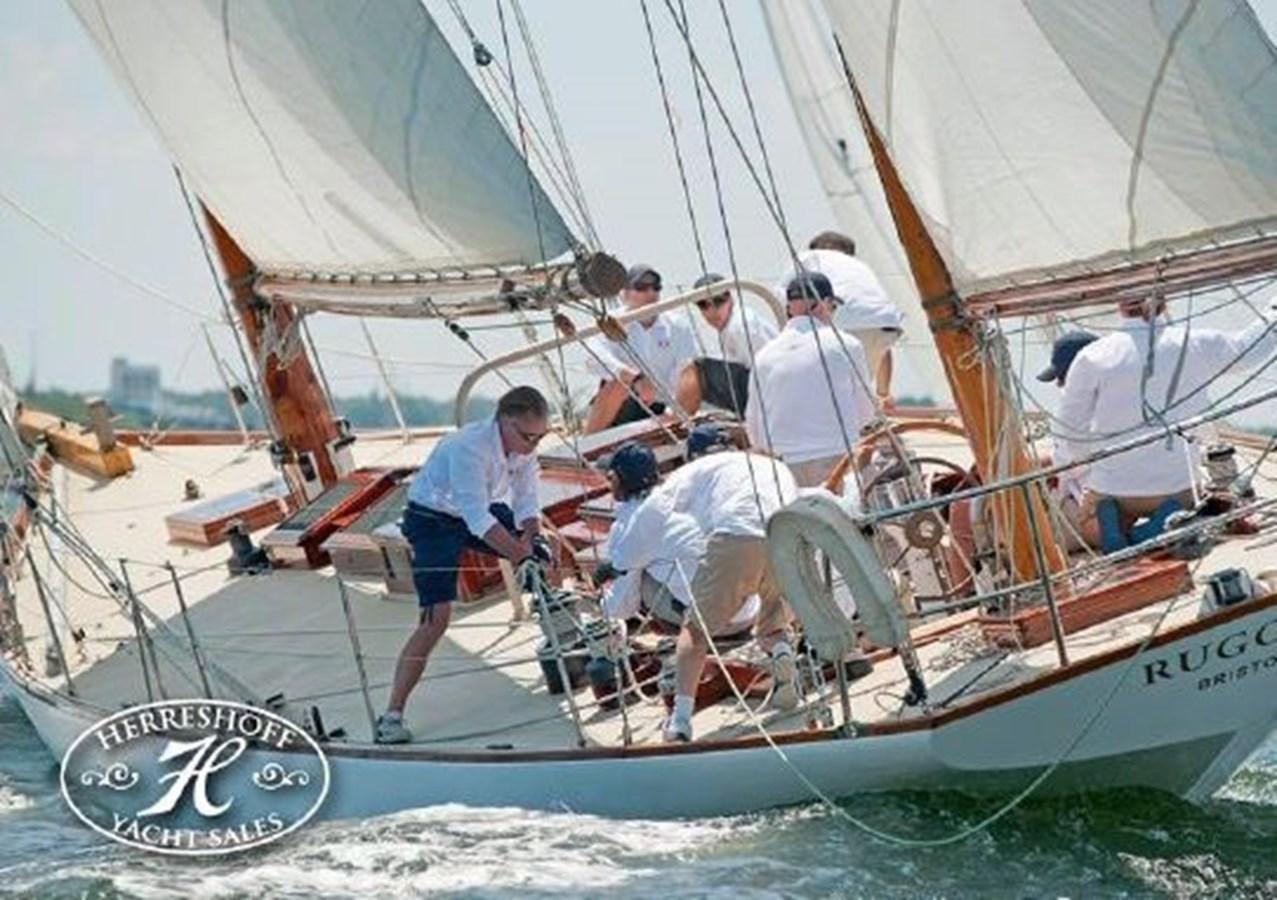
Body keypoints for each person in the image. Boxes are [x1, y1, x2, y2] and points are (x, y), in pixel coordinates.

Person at [376, 385, 553, 744]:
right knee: (435, 619)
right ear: (504, 421)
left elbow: (526, 502)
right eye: (527, 436)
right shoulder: (468, 447)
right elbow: (476, 519)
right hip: (432, 520)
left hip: (478, 512)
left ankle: (566, 648)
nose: (533, 445)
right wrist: (521, 554)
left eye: (541, 437)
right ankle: (392, 714)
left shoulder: (523, 447)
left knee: (547, 556)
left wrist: (533, 541)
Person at [597, 430, 799, 742]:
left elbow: (652, 515)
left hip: (737, 540)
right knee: (773, 621)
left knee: (695, 632)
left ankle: (679, 721)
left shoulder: (687, 476)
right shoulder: (765, 465)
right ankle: (784, 660)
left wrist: (618, 564)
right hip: (785, 535)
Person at [1056, 295, 1277, 551]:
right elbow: (1248, 349)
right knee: (1197, 505)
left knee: (1087, 522)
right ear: (1165, 302)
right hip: (1177, 488)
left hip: (1115, 490)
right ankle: (1162, 526)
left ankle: (1120, 527)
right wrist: (1274, 312)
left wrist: (1093, 466)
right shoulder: (1194, 342)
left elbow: (1071, 431)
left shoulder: (1091, 356)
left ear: (1119, 305)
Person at [746, 272, 876, 488]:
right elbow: (866, 413)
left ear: (789, 308)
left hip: (784, 472)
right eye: (834, 307)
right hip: (837, 464)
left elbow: (755, 430)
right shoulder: (846, 345)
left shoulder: (763, 356)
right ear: (824, 304)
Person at [780, 231, 904, 404]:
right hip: (886, 329)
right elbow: (879, 327)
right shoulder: (860, 267)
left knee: (820, 393)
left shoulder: (808, 258)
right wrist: (884, 394)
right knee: (854, 393)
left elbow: (783, 301)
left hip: (839, 323)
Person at [583, 264, 699, 433]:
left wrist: (672, 412)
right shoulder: (611, 322)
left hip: (664, 407)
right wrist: (634, 378)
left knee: (694, 372)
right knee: (616, 381)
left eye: (656, 287)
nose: (651, 293)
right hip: (619, 409)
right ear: (625, 294)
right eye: (641, 287)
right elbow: (592, 359)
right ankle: (589, 443)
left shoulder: (677, 326)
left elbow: (685, 371)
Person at [675, 272, 779, 416]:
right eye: (703, 305)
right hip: (766, 391)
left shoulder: (740, 327)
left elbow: (763, 371)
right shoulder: (732, 325)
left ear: (730, 298)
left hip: (771, 394)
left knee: (695, 370)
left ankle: (677, 422)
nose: (712, 310)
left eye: (718, 301)